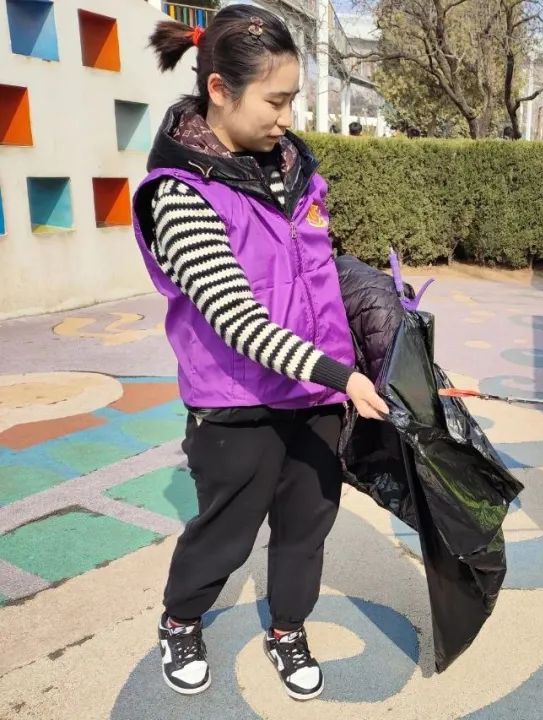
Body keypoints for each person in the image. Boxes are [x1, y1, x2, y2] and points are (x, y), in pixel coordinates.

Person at [134, 5, 389, 701]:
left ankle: (287, 628)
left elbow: (321, 272)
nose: (287, 117)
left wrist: (385, 331)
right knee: (226, 531)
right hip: (236, 401)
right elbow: (237, 320)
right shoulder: (180, 194)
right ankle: (182, 619)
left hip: (316, 397)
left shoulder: (296, 171)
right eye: (274, 101)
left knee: (307, 527)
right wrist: (343, 375)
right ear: (220, 89)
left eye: (292, 100)